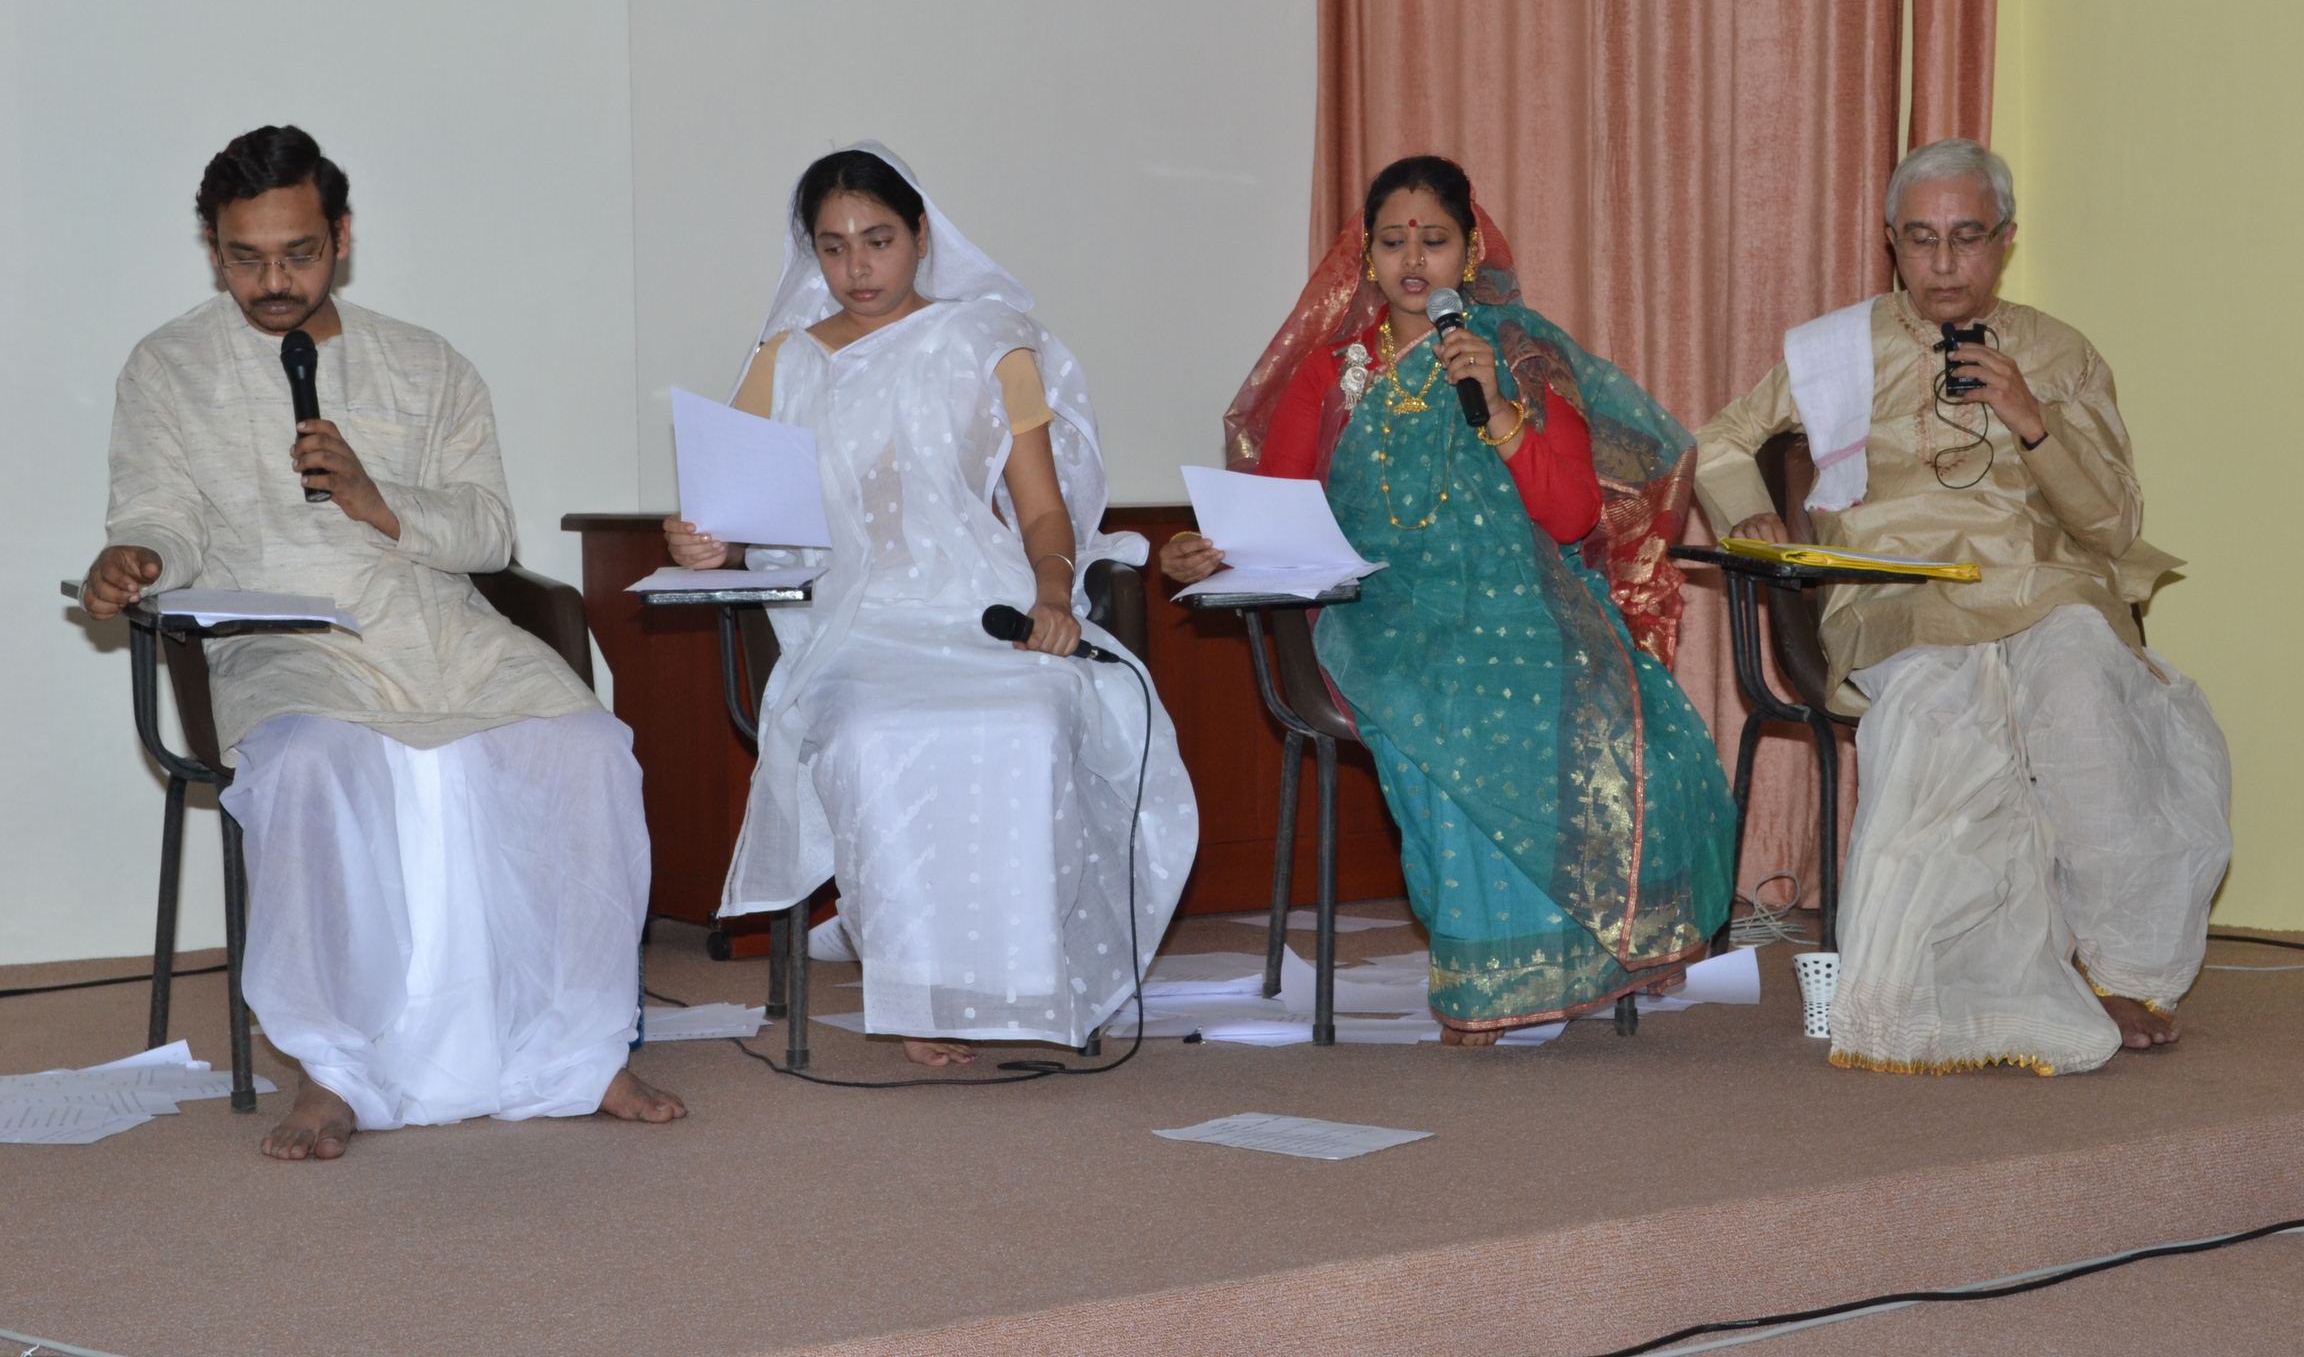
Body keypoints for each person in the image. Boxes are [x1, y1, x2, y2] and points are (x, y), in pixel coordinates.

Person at [82, 125, 682, 1159]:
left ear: (343, 238)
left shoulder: (426, 363)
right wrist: (135, 556)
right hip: (285, 638)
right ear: (213, 249)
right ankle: (333, 1070)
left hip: (439, 627)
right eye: (245, 258)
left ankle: (581, 1054)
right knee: (309, 763)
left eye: (299, 254)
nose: (274, 282)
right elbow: (161, 515)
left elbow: (487, 533)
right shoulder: (168, 367)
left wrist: (376, 497)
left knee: (590, 750)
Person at [1162, 155, 1736, 1043]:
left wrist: (1500, 408)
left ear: (1469, 253)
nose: (1413, 259)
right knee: (1449, 699)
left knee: (1612, 707)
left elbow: (1572, 513)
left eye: (1433, 239)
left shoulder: (1521, 357)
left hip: (1528, 603)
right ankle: (1491, 979)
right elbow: (1278, 514)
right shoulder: (1330, 374)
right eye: (1393, 242)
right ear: (1368, 256)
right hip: (1379, 611)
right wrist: (1206, 554)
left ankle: (1583, 958)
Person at [1694, 138, 2232, 1077]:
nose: (1944, 263)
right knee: (1939, 709)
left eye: (1967, 237)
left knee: (2084, 693)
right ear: (1892, 243)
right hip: (1897, 594)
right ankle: (1953, 984)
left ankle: (2124, 972)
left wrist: (2032, 420)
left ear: (2006, 241)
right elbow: (1722, 442)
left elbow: (2112, 525)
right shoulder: (1839, 349)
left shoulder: (2059, 353)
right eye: (1921, 239)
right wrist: (1749, 515)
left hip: (2039, 582)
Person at [664, 145, 1196, 1068]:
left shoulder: (989, 342)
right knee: (875, 737)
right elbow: (744, 523)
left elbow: (1042, 511)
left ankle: (1025, 985)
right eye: (834, 247)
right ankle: (921, 990)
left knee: (1031, 719)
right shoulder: (786, 362)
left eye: (878, 240)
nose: (857, 268)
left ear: (920, 235)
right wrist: (706, 545)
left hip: (982, 608)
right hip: (856, 626)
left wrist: (1053, 593)